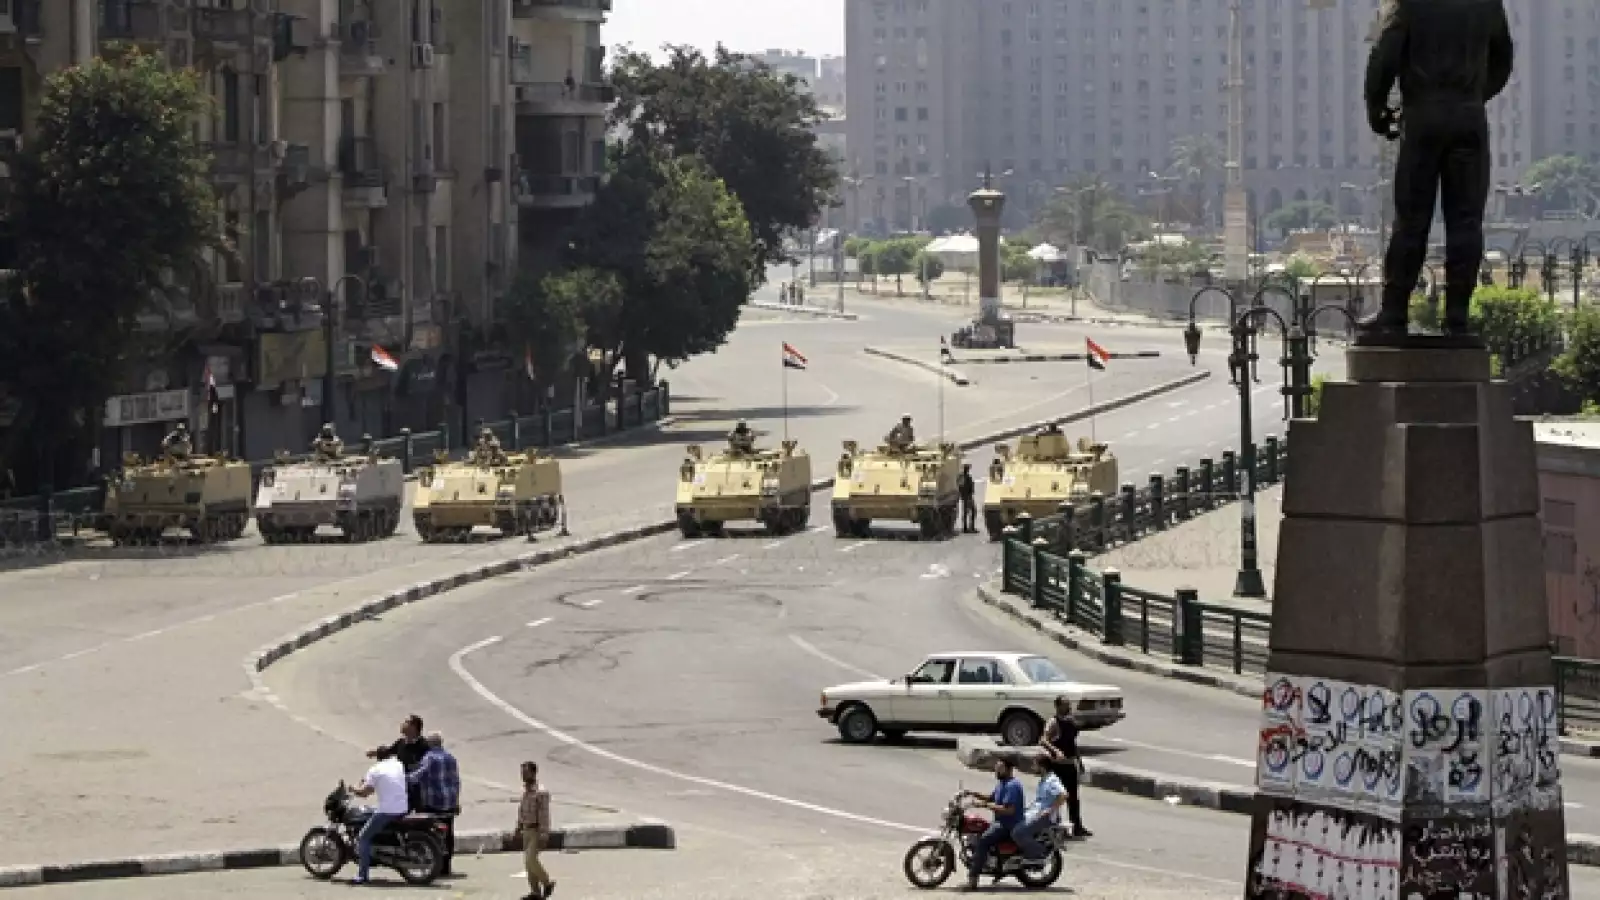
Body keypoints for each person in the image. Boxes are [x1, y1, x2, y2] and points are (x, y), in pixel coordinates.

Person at [1359, 0, 1513, 338]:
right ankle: (1458, 318)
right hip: (1469, 119)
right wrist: (1472, 96)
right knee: (1466, 222)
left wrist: (1377, 108)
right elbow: (1503, 61)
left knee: (1411, 220)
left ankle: (1394, 312)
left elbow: (1384, 57)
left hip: (1423, 117)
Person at [348, 745, 409, 886]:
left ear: (378, 758)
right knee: (371, 811)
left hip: (388, 810)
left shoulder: (375, 770)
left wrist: (353, 789)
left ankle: (362, 876)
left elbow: (365, 793)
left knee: (363, 837)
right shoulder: (397, 764)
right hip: (403, 807)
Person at [961, 759, 1026, 891]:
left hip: (1008, 825)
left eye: (1000, 768)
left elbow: (1009, 810)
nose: (996, 771)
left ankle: (973, 879)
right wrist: (971, 793)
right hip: (1000, 822)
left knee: (983, 841)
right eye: (996, 768)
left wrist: (986, 805)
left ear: (1008, 769)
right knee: (979, 831)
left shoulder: (1012, 786)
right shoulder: (1002, 784)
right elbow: (991, 798)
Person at [407, 732, 461, 876]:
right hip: (449, 802)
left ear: (430, 744)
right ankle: (446, 866)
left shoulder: (429, 758)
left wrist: (403, 778)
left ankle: (434, 863)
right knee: (448, 834)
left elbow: (418, 776)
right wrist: (456, 801)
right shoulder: (451, 758)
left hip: (433, 802)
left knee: (431, 834)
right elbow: (456, 781)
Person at [1038, 695, 1092, 838]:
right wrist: (1055, 751)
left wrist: (1079, 762)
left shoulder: (1070, 722)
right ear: (1058, 706)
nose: (1069, 707)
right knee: (1056, 797)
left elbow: (1072, 744)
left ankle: (1077, 827)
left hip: (1069, 764)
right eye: (1065, 705)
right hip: (1057, 767)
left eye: (1069, 704)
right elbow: (1043, 740)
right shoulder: (1053, 722)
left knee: (1073, 798)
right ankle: (1055, 828)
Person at [369, 714, 430, 811]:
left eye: (406, 722)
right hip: (402, 788)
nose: (402, 724)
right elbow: (389, 751)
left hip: (418, 791)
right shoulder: (401, 742)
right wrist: (375, 753)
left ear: (413, 727)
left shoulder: (424, 746)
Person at [516, 760, 556, 899]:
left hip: (536, 830)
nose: (523, 775)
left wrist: (544, 833)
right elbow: (521, 810)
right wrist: (518, 826)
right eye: (522, 773)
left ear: (533, 773)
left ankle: (547, 882)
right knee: (527, 863)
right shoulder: (525, 791)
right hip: (526, 829)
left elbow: (544, 814)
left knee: (531, 859)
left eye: (526, 772)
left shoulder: (541, 792)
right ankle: (535, 892)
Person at [1011, 767, 1069, 862]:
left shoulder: (1052, 780)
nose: (1033, 767)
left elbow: (1063, 795)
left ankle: (1039, 852)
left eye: (1035, 764)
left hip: (1045, 817)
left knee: (1018, 832)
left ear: (1042, 767)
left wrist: (1050, 810)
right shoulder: (1044, 780)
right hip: (1035, 813)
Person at [958, 463, 978, 534]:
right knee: (973, 511)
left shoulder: (961, 477)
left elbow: (959, 486)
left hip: (965, 496)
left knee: (966, 512)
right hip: (968, 496)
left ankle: (965, 527)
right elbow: (964, 487)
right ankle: (970, 527)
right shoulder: (966, 477)